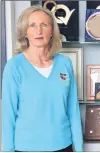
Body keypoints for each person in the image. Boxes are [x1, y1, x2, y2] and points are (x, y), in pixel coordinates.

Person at [1, 5, 83, 152]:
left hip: (64, 146)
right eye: (32, 25)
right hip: (26, 148)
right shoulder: (14, 67)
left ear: (52, 31)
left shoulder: (64, 63)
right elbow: (8, 116)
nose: (38, 31)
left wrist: (79, 149)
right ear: (24, 31)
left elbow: (73, 110)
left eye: (44, 25)